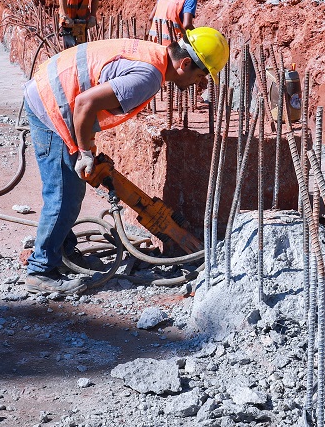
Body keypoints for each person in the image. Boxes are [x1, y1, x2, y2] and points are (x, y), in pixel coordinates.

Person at [21, 27, 230, 294]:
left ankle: (63, 253)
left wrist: (86, 148)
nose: (198, 84)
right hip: (52, 104)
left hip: (53, 91)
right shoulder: (148, 77)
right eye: (200, 75)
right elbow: (85, 104)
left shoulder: (153, 54)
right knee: (64, 194)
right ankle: (41, 271)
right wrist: (85, 152)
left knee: (68, 190)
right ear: (185, 63)